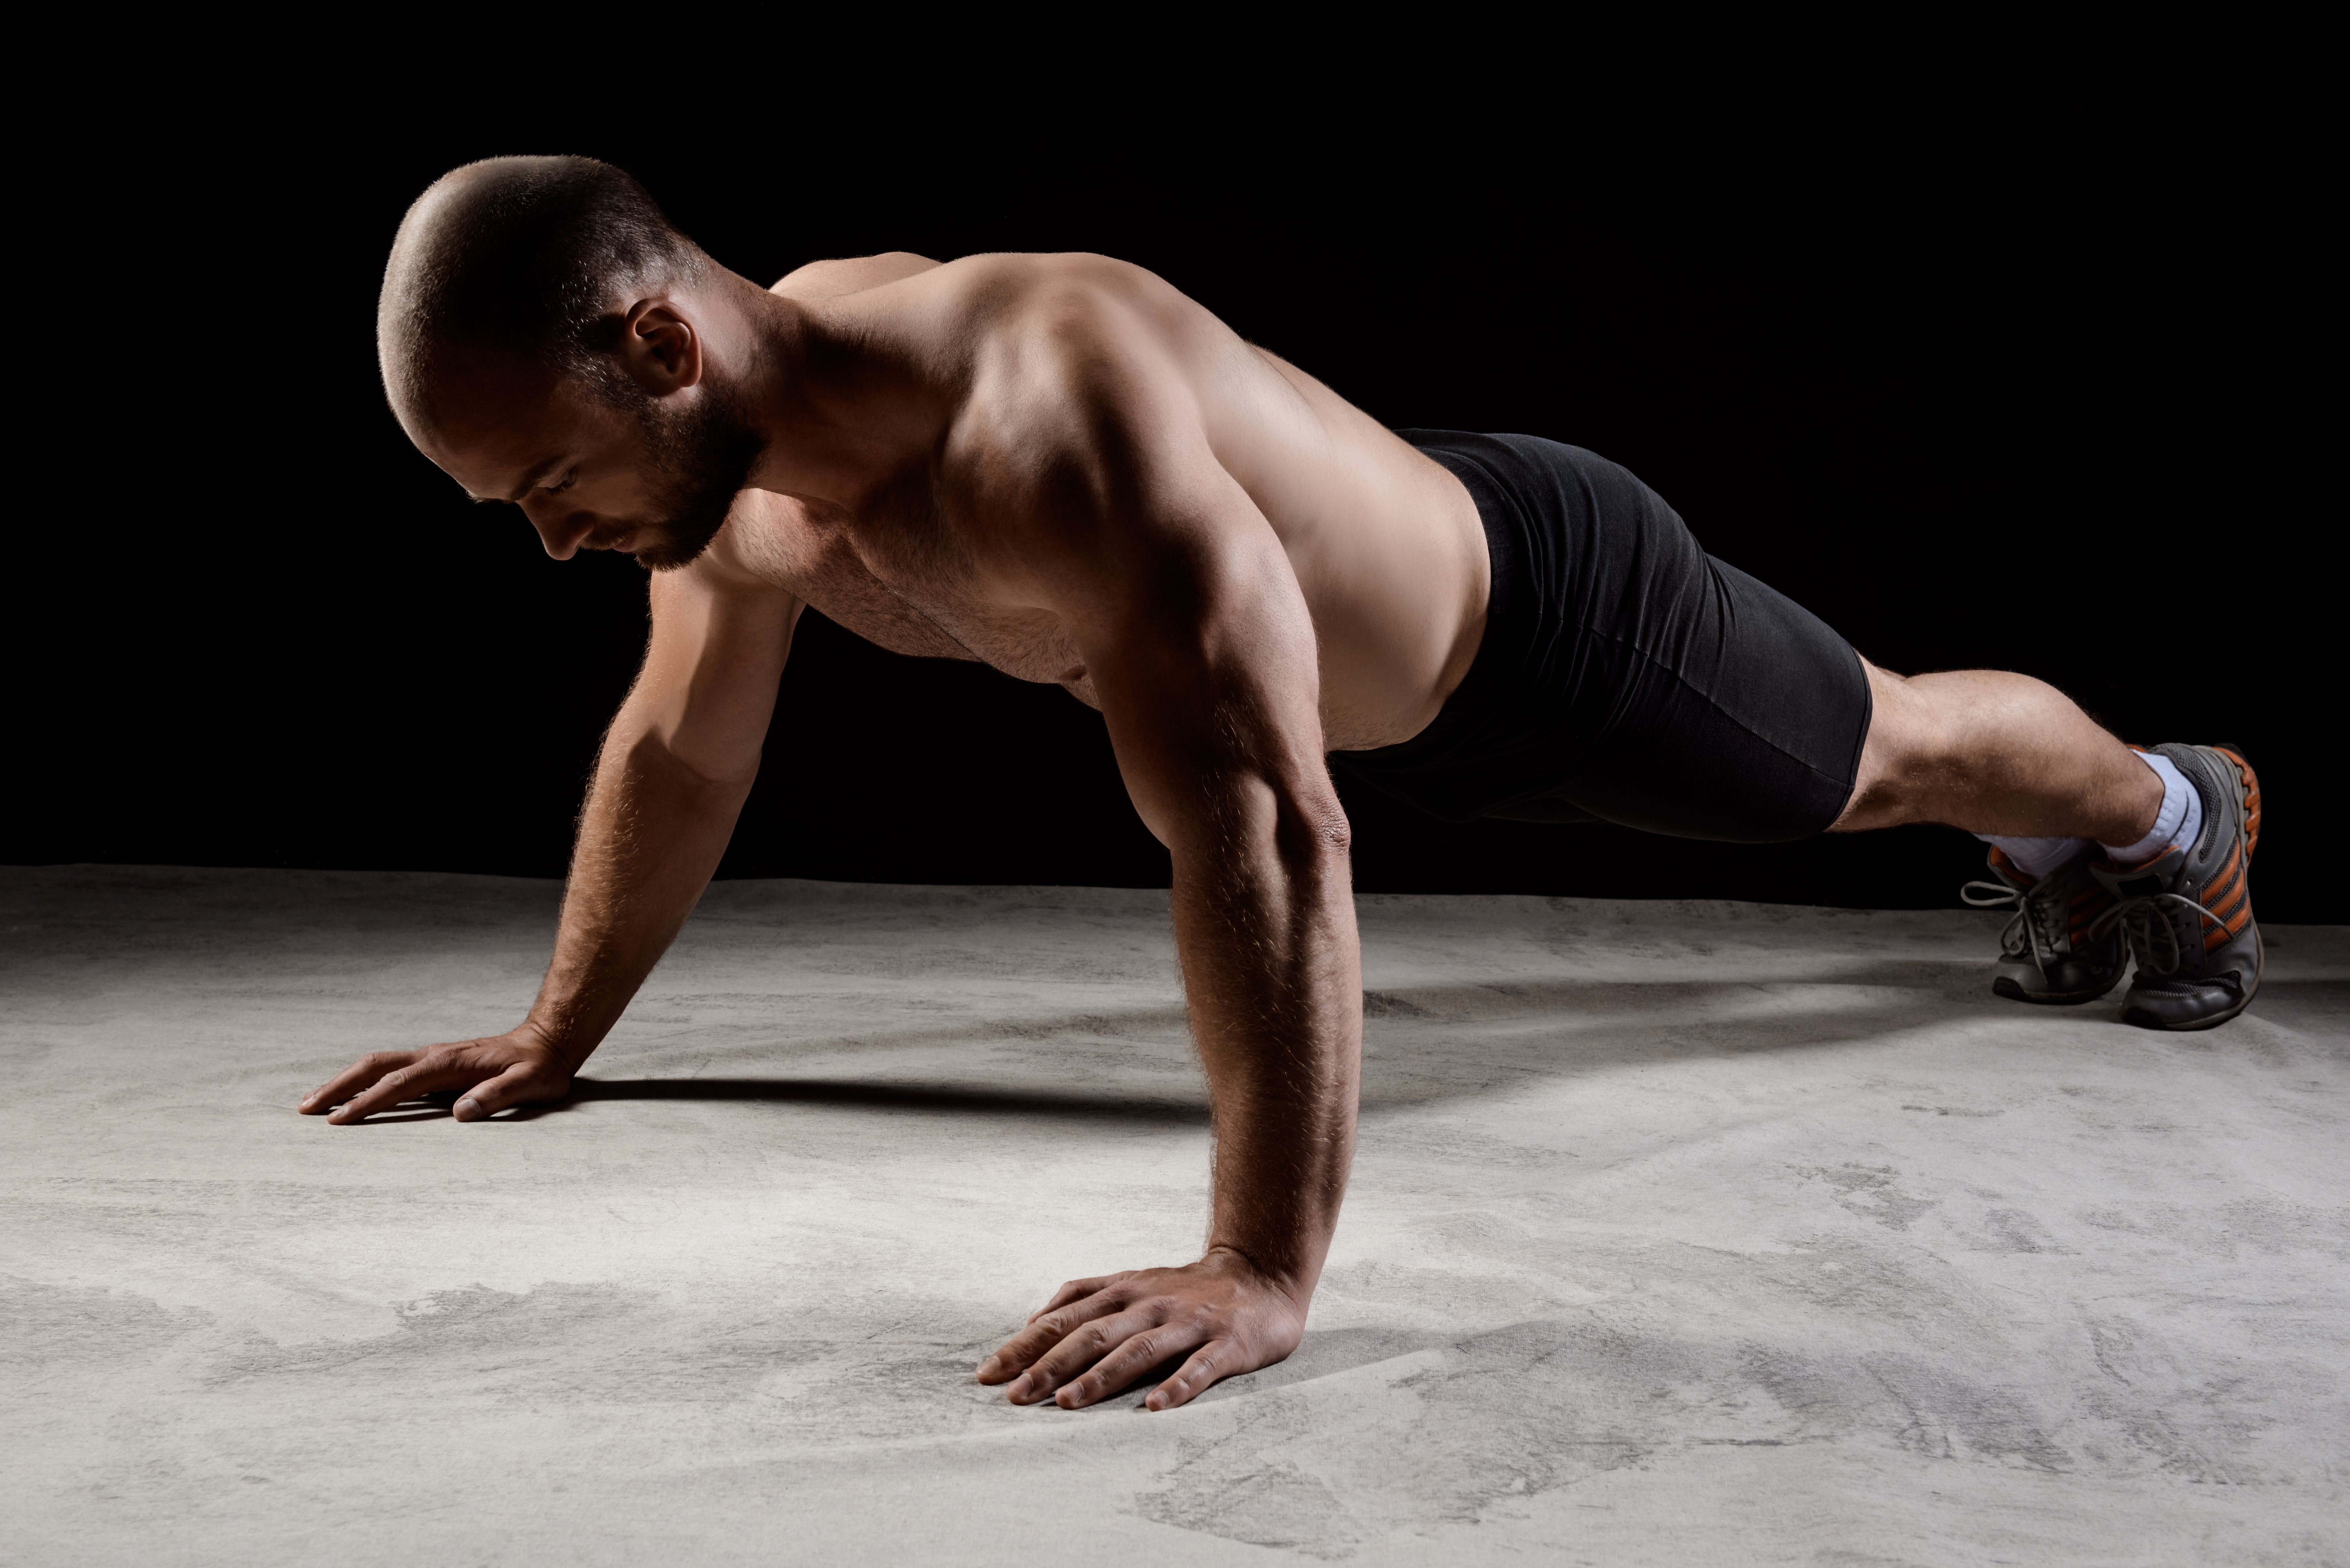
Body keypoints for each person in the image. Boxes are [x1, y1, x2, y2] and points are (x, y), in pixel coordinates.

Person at [305, 156, 2263, 1413]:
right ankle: (2111, 830)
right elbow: (679, 747)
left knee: (1882, 759)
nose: (555, 547)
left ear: (661, 341)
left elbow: (1264, 825)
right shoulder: (747, 495)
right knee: (1860, 761)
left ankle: (2167, 816)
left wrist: (1258, 1267)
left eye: (553, 489)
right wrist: (557, 1031)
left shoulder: (1046, 410)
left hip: (1559, 638)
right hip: (1358, 612)